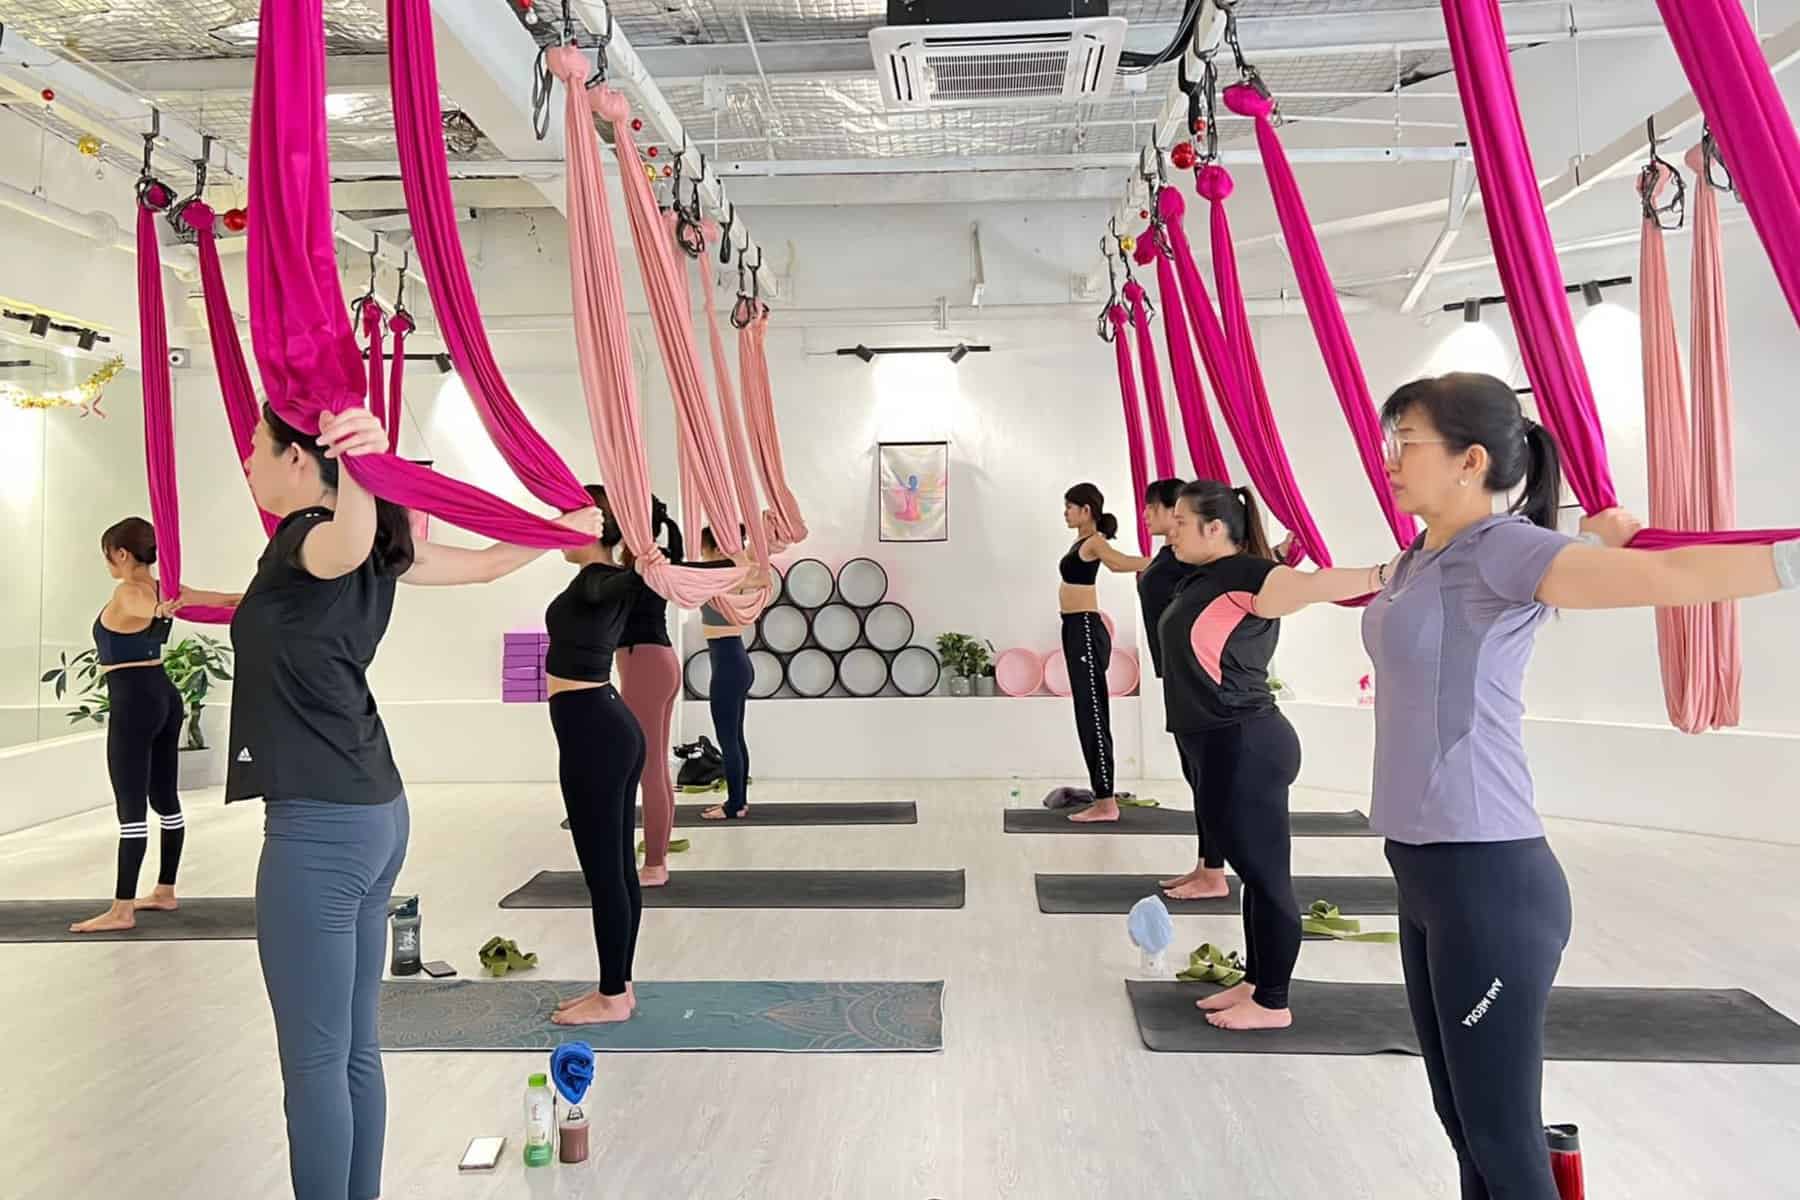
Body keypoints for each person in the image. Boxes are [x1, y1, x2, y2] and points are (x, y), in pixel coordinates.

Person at [1365, 371, 1800, 1198]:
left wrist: (1784, 559)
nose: (1389, 458)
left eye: (1406, 441)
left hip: (1488, 874)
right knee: (1461, 1119)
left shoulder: (1509, 551)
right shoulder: (1417, 558)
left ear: (1471, 460)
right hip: (1421, 869)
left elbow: (1670, 584)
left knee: (1500, 1133)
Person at [174, 403, 596, 1200]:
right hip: (373, 814)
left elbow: (344, 542)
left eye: (256, 448)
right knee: (352, 1051)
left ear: (304, 460)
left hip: (319, 831)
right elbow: (479, 567)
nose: (247, 463)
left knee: (313, 1064)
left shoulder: (322, 536)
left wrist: (363, 462)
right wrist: (554, 526)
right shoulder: (348, 551)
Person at [1161, 480, 1394, 1031]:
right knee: (1251, 872)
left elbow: (1311, 585)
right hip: (1216, 741)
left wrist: (1382, 575)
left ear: (1214, 528)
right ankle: (1255, 981)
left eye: (1179, 521)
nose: (1170, 530)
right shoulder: (1205, 577)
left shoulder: (1246, 575)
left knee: (1267, 878)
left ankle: (1274, 1001)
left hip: (1244, 742)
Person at [543, 495, 649, 1026]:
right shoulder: (601, 577)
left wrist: (652, 561)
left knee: (604, 871)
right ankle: (619, 986)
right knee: (616, 868)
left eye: (568, 520)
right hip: (604, 725)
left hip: (595, 732)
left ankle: (612, 996)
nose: (559, 530)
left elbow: (619, 581)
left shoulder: (598, 577)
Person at [68, 518, 186, 934]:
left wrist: (156, 611)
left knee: (131, 808)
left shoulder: (130, 592)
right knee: (165, 798)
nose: (108, 564)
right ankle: (165, 890)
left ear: (120, 554)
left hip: (134, 701)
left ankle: (122, 909)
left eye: (107, 555)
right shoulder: (163, 589)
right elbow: (219, 599)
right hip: (166, 697)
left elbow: (139, 607)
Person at [1133, 479, 1227, 900]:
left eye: (1153, 507)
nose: (1147, 514)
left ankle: (1215, 874)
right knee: (1196, 777)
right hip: (1175, 677)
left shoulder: (1195, 561)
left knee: (1208, 778)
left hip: (1198, 682)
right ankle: (1206, 865)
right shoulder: (1170, 556)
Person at [1057, 483, 1150, 822]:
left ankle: (1106, 802)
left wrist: (1161, 560)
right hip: (1074, 628)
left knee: (1093, 711)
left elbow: (1121, 563)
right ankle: (1102, 797)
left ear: (1086, 510)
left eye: (1070, 506)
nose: (1065, 512)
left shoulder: (1094, 542)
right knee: (1086, 711)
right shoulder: (1081, 542)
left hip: (1083, 628)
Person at [612, 496, 683, 887]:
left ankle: (655, 863)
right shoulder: (658, 557)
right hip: (658, 661)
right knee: (655, 767)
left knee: (649, 769)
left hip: (645, 666)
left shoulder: (641, 564)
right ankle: (657, 854)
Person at [694, 526, 762, 821]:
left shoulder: (719, 578)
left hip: (728, 665)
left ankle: (734, 805)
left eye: (704, 549)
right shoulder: (733, 575)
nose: (700, 554)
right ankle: (739, 801)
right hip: (735, 661)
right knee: (735, 737)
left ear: (717, 550)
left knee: (728, 739)